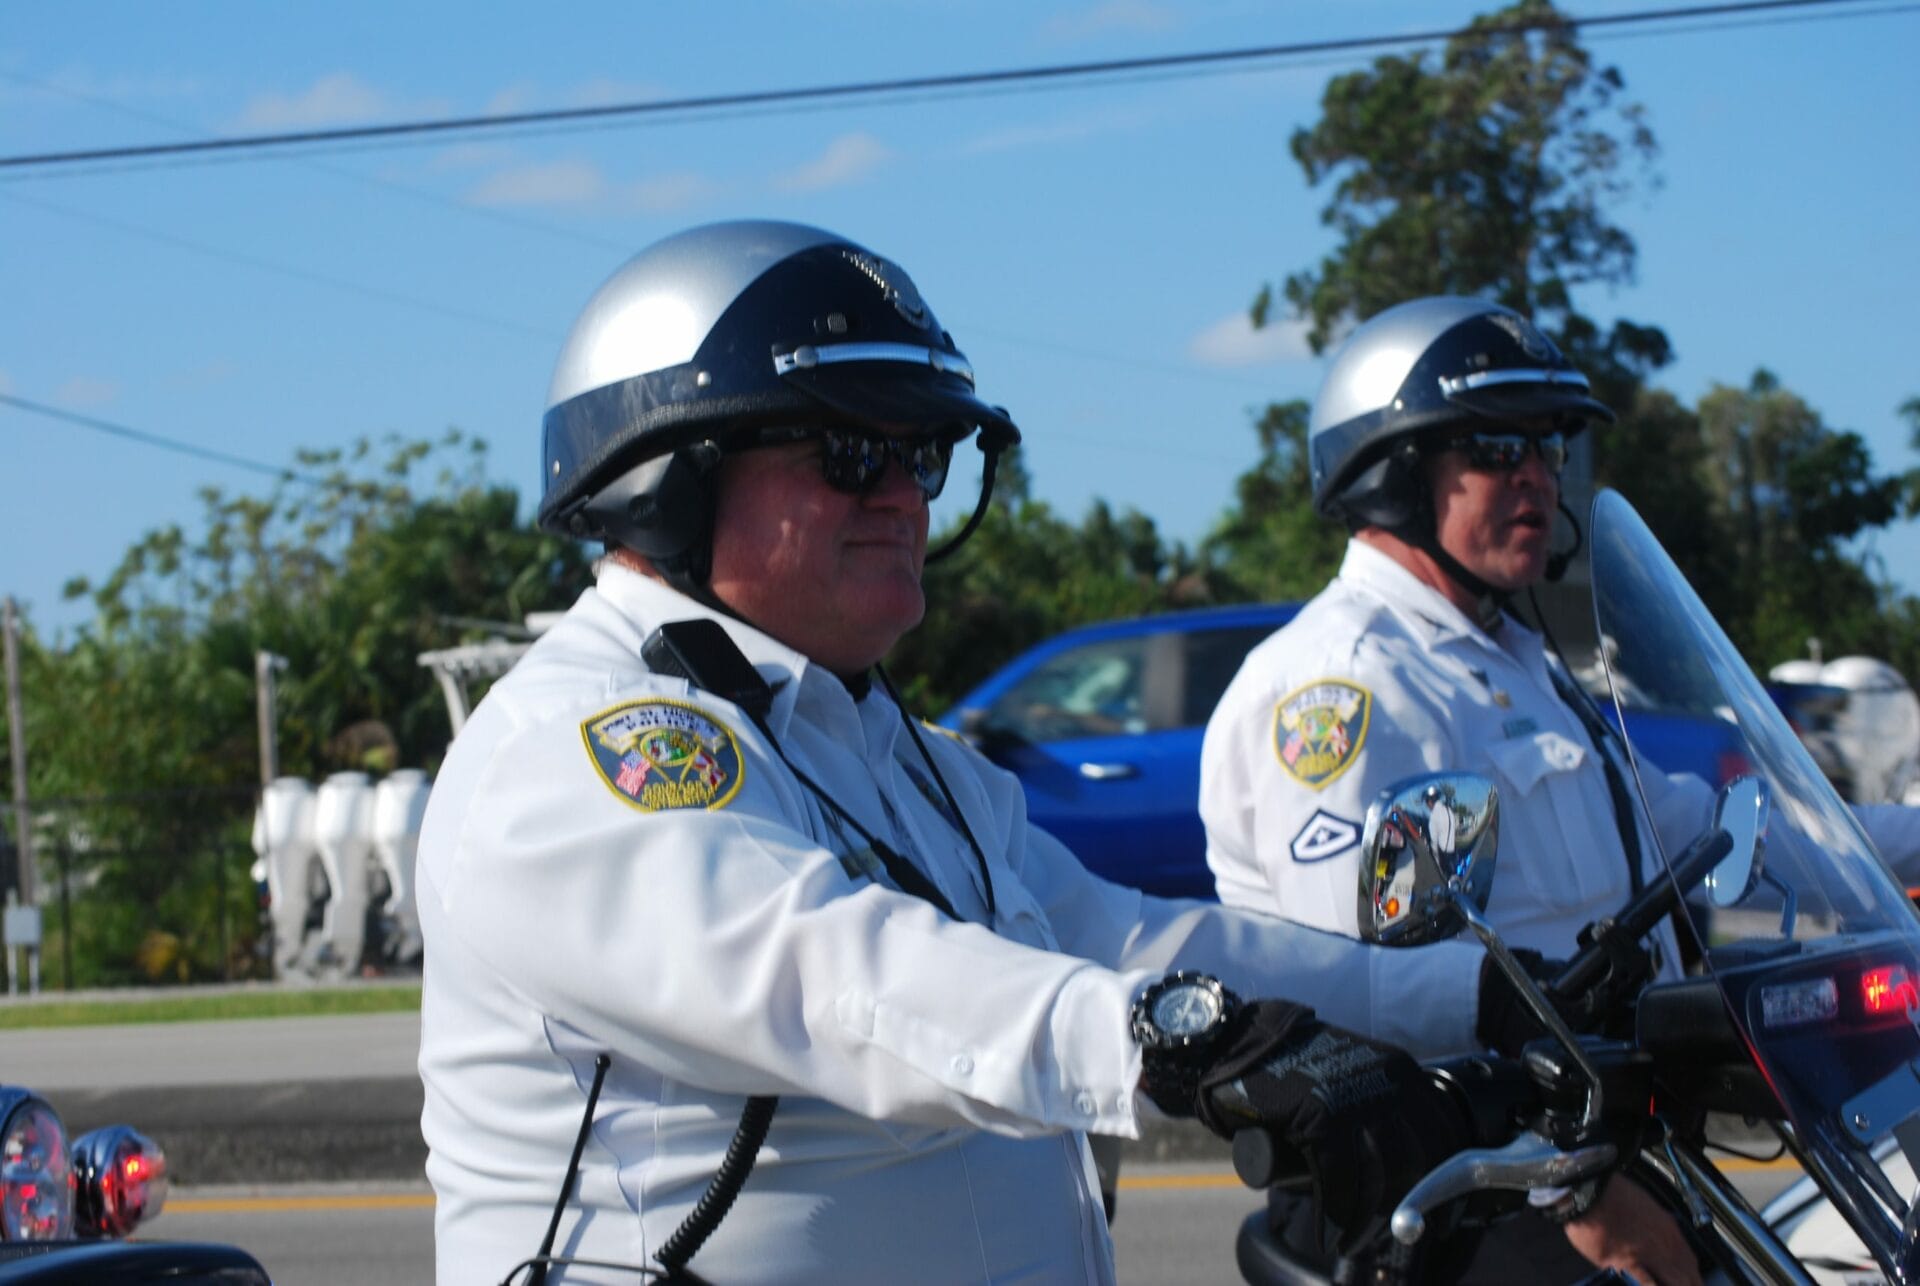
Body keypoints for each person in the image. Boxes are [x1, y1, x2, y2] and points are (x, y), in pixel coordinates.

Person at [416, 221, 1489, 1286]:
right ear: (665, 482)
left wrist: (1476, 994)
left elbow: (1132, 936)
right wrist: (1165, 1038)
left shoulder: (900, 758)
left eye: (920, 453)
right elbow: (831, 971)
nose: (901, 496)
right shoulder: (566, 749)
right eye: (848, 452)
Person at [1199, 295, 1920, 1286]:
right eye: (1498, 447)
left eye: (1548, 445)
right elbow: (1370, 999)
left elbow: (1716, 834)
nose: (1538, 473)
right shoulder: (1340, 687)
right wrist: (1581, 1195)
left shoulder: (1516, 665)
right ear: (1393, 473)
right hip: (1450, 1189)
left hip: (1601, 1139)